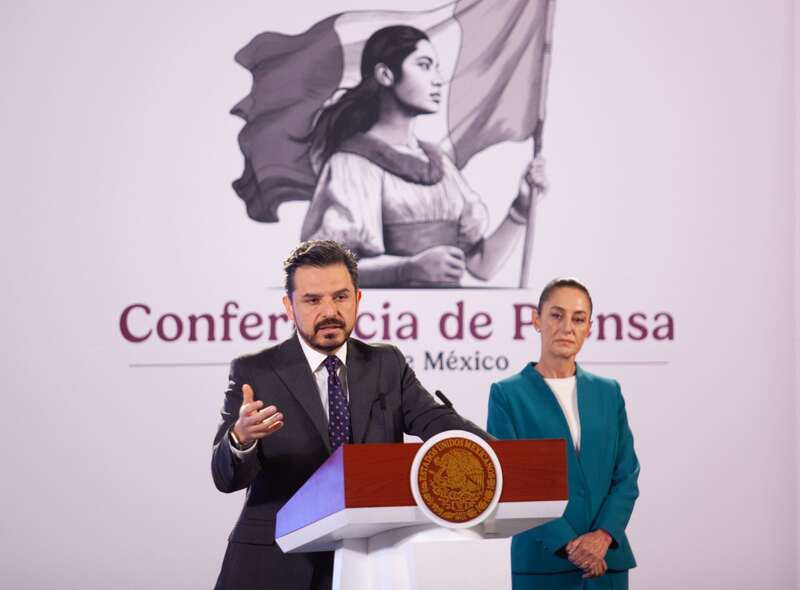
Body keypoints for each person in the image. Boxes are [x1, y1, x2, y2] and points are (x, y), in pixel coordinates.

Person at [211, 239, 488, 590]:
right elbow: (225, 478)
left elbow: (440, 424)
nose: (329, 310)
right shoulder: (255, 372)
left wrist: (499, 457)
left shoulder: (387, 364)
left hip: (367, 565)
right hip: (274, 566)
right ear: (289, 306)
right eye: (313, 300)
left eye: (340, 297)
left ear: (357, 300)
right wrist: (241, 439)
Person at [300, 25, 547, 287]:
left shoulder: (439, 163)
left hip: (451, 321)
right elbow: (326, 272)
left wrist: (520, 208)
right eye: (424, 65)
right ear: (385, 74)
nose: (438, 79)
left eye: (436, 67)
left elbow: (480, 266)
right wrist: (407, 269)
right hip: (385, 321)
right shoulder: (351, 164)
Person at [487, 278, 639, 589]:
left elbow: (626, 475)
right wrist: (571, 545)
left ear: (589, 328)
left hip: (607, 564)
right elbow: (512, 481)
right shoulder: (507, 395)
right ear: (535, 320)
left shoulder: (609, 393)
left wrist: (603, 536)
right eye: (557, 315)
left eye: (578, 319)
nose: (567, 327)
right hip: (543, 563)